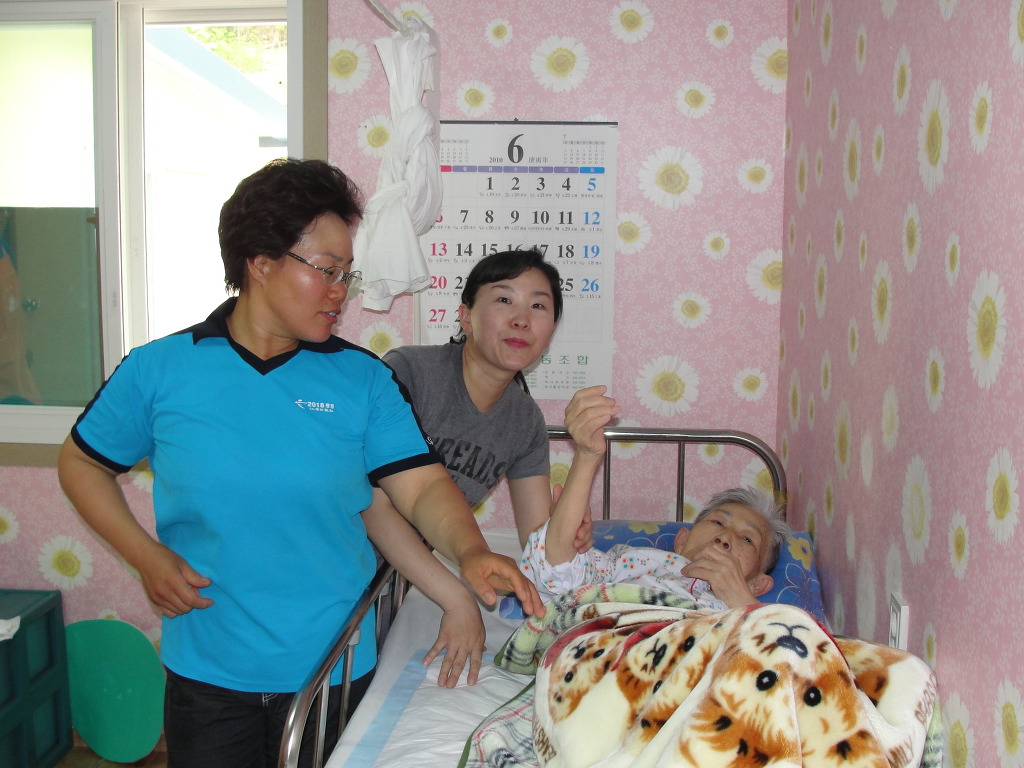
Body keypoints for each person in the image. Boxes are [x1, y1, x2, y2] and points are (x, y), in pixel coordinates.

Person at [56, 158, 542, 768]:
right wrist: (144, 555)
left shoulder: (362, 379)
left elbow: (420, 487)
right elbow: (81, 464)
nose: (341, 291)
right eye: (327, 271)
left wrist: (470, 551)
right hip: (208, 668)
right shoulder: (161, 371)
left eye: (347, 274)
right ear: (260, 262)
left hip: (333, 667)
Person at [360, 249, 609, 687]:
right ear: (466, 317)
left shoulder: (525, 422)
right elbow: (368, 504)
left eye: (538, 306)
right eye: (504, 300)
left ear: (551, 331)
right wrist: (455, 596)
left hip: (395, 580)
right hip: (347, 559)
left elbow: (538, 545)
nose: (521, 319)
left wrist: (567, 528)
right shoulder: (410, 372)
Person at [520, 395, 791, 610]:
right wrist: (587, 455)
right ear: (682, 540)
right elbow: (558, 568)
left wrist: (742, 603)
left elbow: (794, 658)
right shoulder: (633, 563)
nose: (724, 538)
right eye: (718, 522)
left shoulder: (751, 622)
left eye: (747, 539)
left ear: (757, 584)